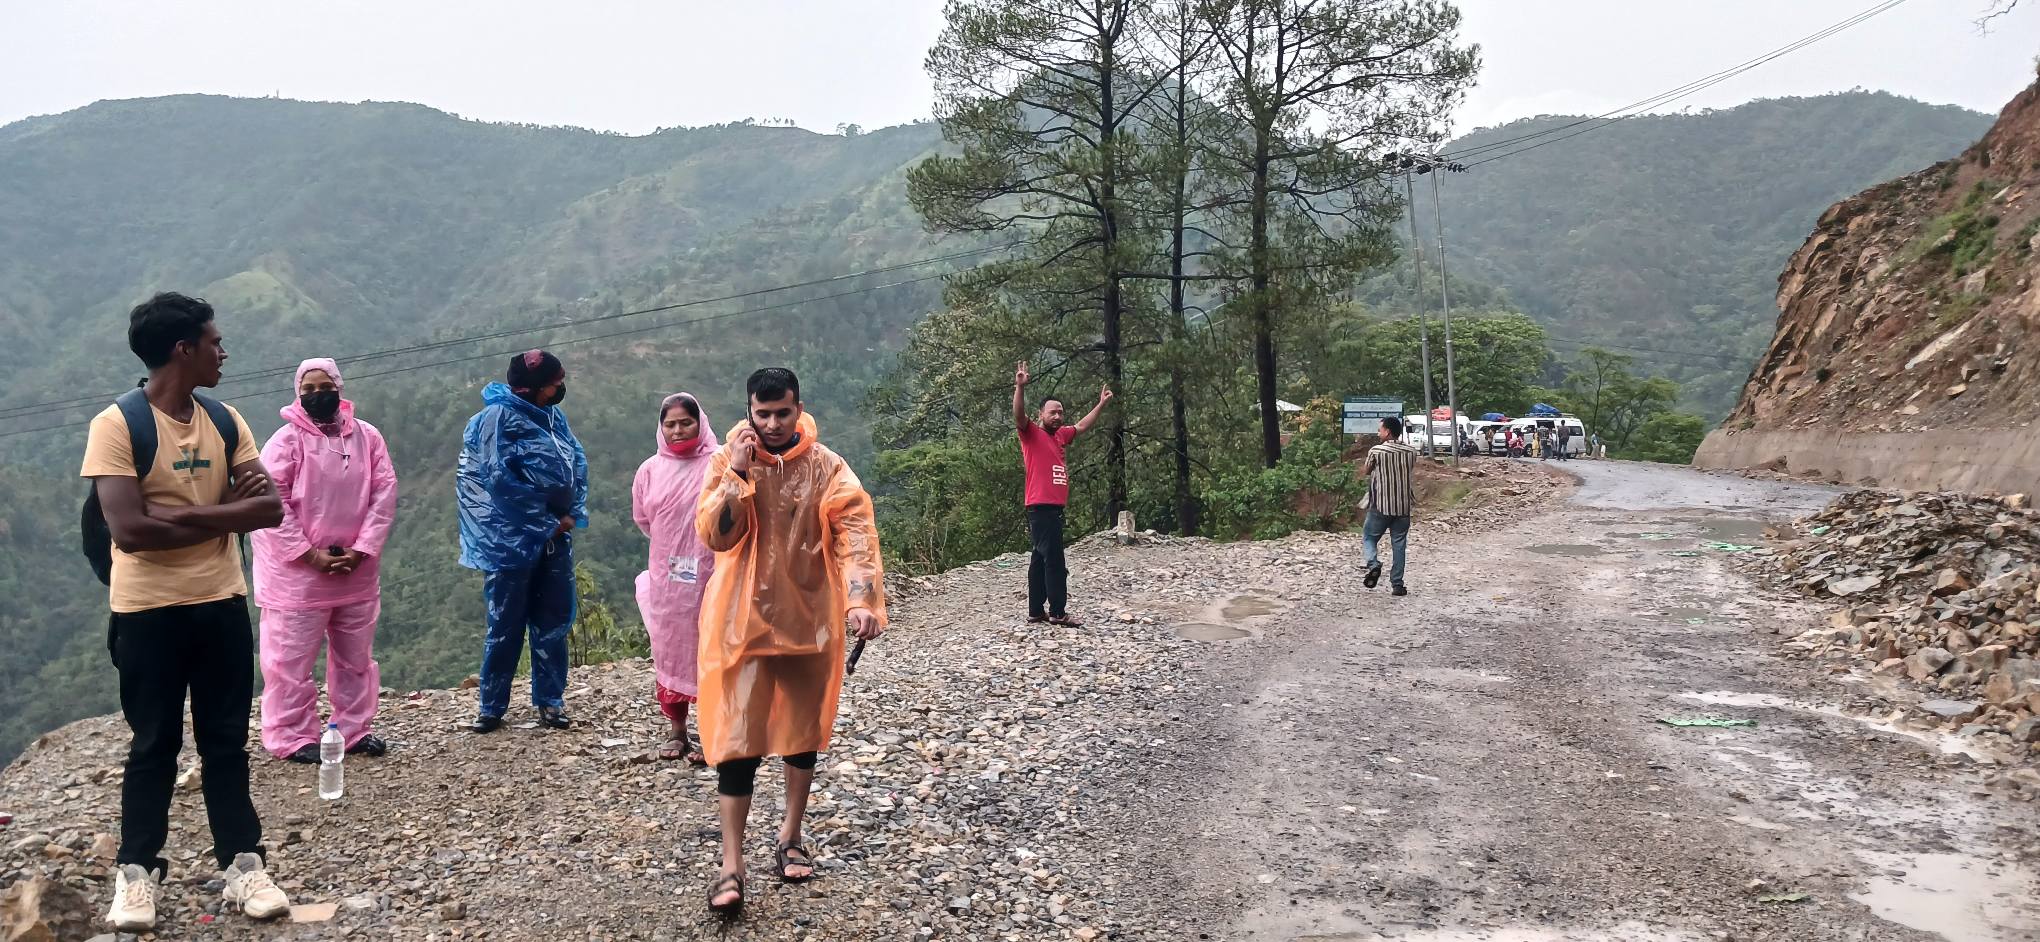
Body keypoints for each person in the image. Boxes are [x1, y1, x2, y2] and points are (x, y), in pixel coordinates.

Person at [81, 293, 292, 930]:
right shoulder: (116, 427)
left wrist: (180, 513)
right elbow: (130, 532)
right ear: (183, 349)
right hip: (147, 611)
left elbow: (270, 511)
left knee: (226, 741)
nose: (222, 352)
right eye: (214, 342)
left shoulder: (226, 420)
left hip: (221, 604)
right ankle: (136, 875)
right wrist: (222, 511)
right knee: (155, 745)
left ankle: (244, 866)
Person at [695, 368, 886, 914]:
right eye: (763, 413)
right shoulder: (726, 462)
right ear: (749, 413)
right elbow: (716, 534)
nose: (774, 424)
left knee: (802, 734)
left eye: (783, 412)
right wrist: (736, 472)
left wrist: (861, 599)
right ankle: (731, 865)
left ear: (799, 408)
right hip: (740, 623)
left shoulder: (827, 468)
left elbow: (856, 533)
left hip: (810, 619)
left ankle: (791, 835)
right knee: (738, 739)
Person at [250, 358, 399, 763]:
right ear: (298, 395)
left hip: (355, 571)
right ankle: (291, 736)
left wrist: (362, 548)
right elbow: (270, 504)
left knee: (356, 658)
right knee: (288, 663)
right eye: (309, 389)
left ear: (339, 387)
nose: (318, 395)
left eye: (325, 386)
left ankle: (354, 730)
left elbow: (384, 493)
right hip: (296, 578)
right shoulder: (284, 442)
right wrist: (309, 554)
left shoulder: (367, 438)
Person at [457, 350, 589, 733]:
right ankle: (491, 707)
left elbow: (575, 463)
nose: (560, 387)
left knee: (552, 621)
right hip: (511, 542)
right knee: (506, 625)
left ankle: (550, 702)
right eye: (555, 381)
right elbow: (498, 481)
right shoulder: (496, 420)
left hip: (554, 537)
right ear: (534, 387)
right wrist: (546, 521)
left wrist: (568, 516)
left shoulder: (551, 416)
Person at [630, 392, 719, 764]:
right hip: (669, 578)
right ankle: (678, 731)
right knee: (671, 648)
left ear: (701, 423)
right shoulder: (650, 469)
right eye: (671, 424)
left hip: (713, 573)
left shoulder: (720, 462)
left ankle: (715, 735)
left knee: (714, 648)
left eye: (686, 422)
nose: (679, 430)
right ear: (661, 427)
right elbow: (643, 519)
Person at [1012, 360, 1111, 627]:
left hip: (1050, 509)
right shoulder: (1031, 434)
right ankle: (1057, 612)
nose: (1057, 416)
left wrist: (1100, 404)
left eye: (1060, 413)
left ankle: (1035, 611)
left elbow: (1080, 426)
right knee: (1055, 560)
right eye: (1052, 412)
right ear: (1041, 414)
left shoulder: (1060, 436)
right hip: (1042, 507)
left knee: (1039, 559)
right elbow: (1019, 417)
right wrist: (1019, 387)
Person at [1362, 416, 1419, 597]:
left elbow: (1366, 471)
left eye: (1380, 430)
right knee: (1399, 544)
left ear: (1387, 431)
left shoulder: (1376, 451)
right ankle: (1397, 585)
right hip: (1403, 506)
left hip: (1380, 505)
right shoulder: (1411, 451)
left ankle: (1373, 564)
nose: (1378, 433)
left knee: (1369, 537)